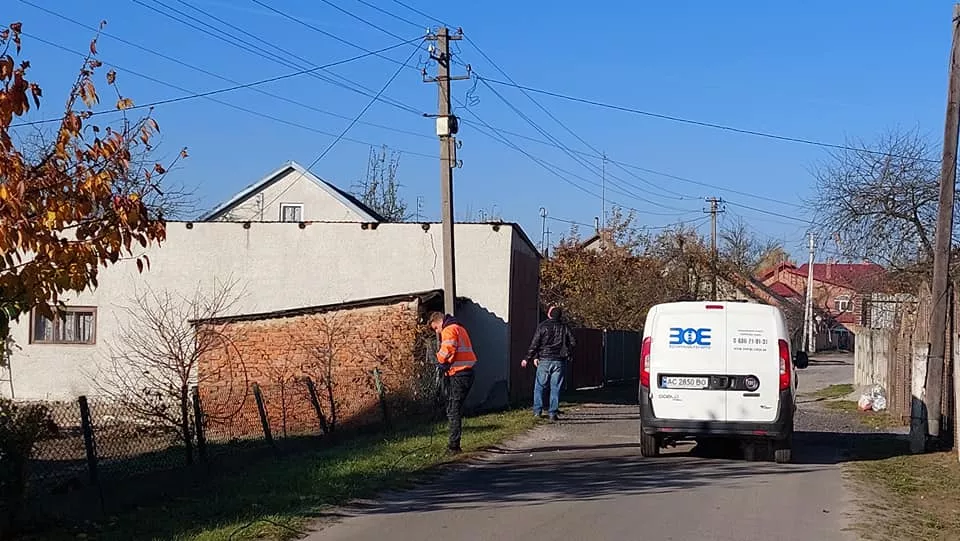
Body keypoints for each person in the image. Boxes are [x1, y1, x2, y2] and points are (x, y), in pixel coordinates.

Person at [429, 311, 477, 455]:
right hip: (467, 372)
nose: (437, 332)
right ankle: (454, 443)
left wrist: (438, 359)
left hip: (459, 374)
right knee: (454, 408)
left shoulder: (449, 329)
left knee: (453, 409)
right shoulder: (460, 328)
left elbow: (447, 351)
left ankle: (454, 446)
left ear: (438, 322)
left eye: (436, 328)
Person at [523, 305, 575, 421]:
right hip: (559, 360)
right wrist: (567, 351)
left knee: (539, 387)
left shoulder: (542, 326)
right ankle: (553, 412)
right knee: (555, 387)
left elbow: (535, 343)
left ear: (549, 315)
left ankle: (537, 411)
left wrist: (527, 358)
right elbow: (573, 342)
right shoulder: (564, 327)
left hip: (544, 359)